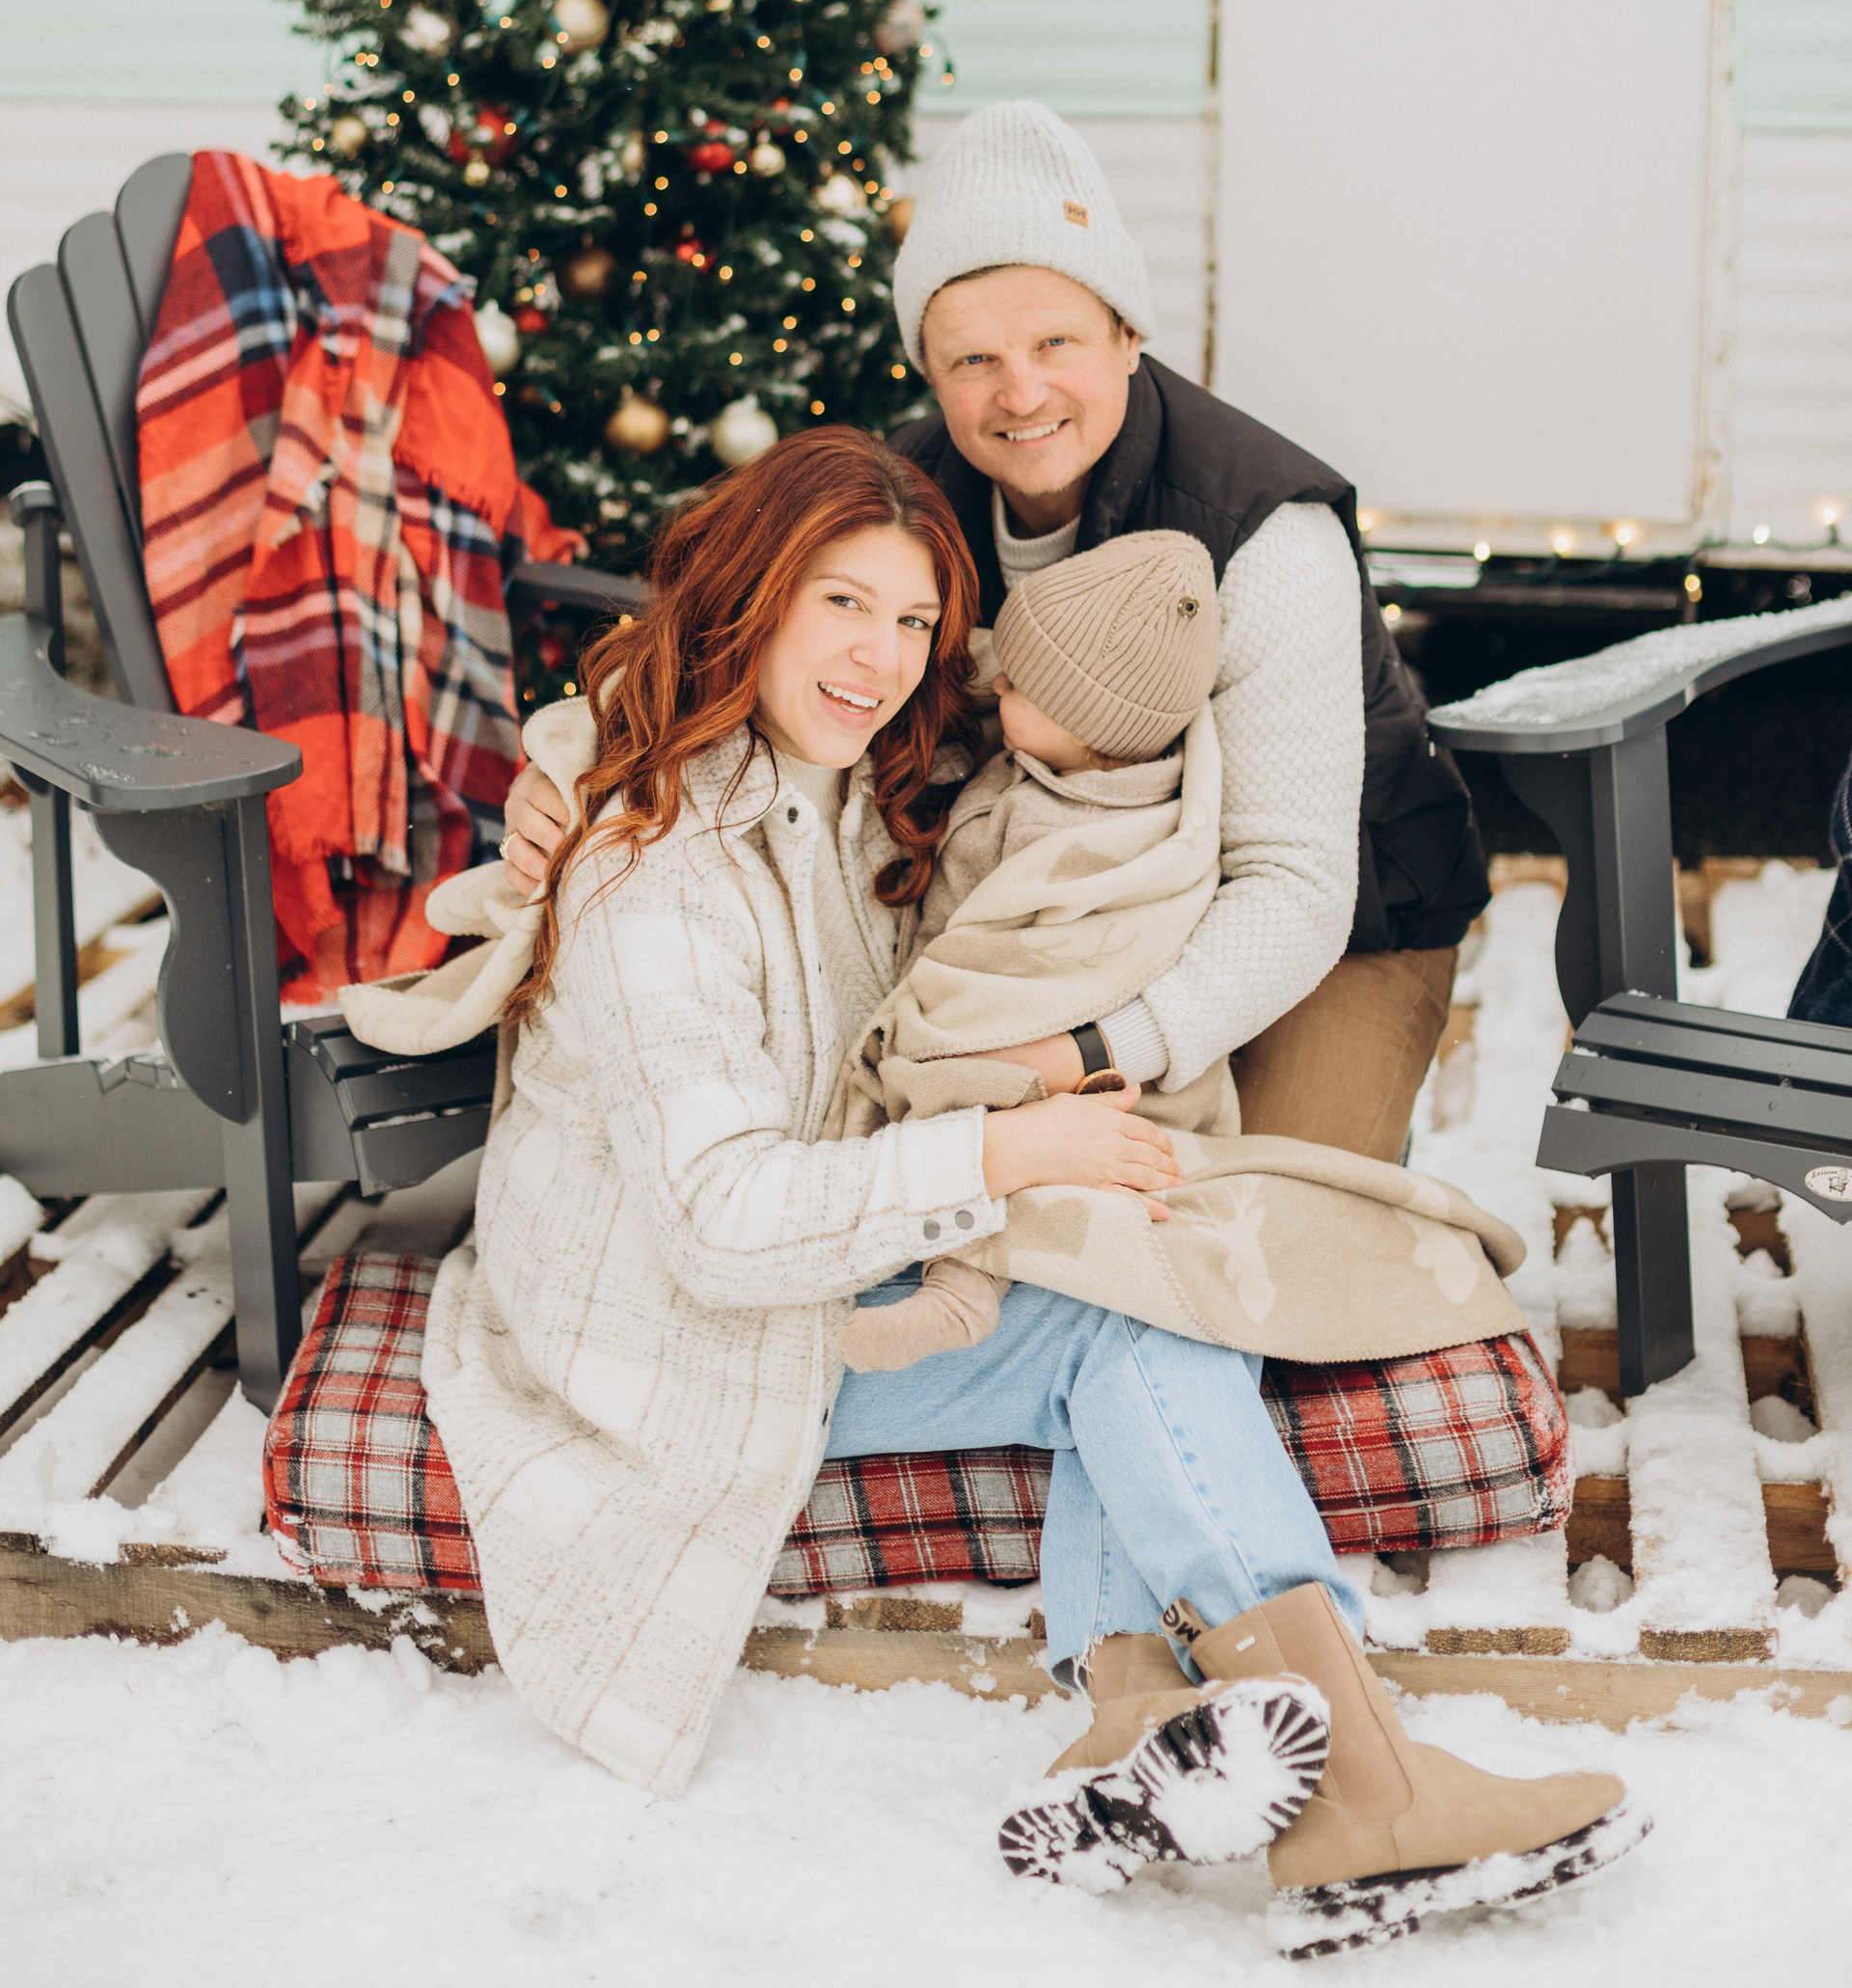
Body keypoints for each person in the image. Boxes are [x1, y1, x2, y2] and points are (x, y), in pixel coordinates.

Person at [431, 426, 1640, 1951]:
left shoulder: (837, 774)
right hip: (671, 1327)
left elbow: (1086, 714)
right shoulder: (654, 879)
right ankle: (1365, 1791)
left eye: (912, 620)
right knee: (1134, 1322)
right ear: (750, 597)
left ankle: (1136, 1727)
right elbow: (720, 1227)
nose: (881, 658)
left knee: (1151, 1259)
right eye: (840, 604)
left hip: (811, 1250)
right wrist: (1009, 1152)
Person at [504, 100, 1489, 1165]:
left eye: (1056, 342)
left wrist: (1089, 1054)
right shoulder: (903, 495)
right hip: (1051, 917)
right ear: (928, 370)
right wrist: (576, 766)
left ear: (1129, 336)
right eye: (973, 359)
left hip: (1344, 926)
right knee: (955, 1196)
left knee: (1276, 1221)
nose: (1021, 394)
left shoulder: (1262, 528)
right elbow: (726, 638)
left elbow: (1295, 884)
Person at [835, 525, 1226, 1373]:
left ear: (1085, 721)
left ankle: (961, 1292)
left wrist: (956, 1028)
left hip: (1050, 1032)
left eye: (1017, 683)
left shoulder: (1087, 827)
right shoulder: (1056, 755)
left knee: (985, 1116)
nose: (994, 682)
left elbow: (1039, 959)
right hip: (1026, 1020)